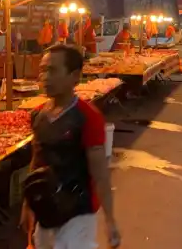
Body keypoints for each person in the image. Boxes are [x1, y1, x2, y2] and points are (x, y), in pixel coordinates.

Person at [22, 45, 120, 249]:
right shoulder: (38, 116)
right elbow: (36, 161)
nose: (45, 77)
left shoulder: (88, 118)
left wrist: (110, 220)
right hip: (46, 210)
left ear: (74, 76)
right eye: (42, 70)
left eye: (53, 70)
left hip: (78, 213)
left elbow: (100, 174)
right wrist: (28, 205)